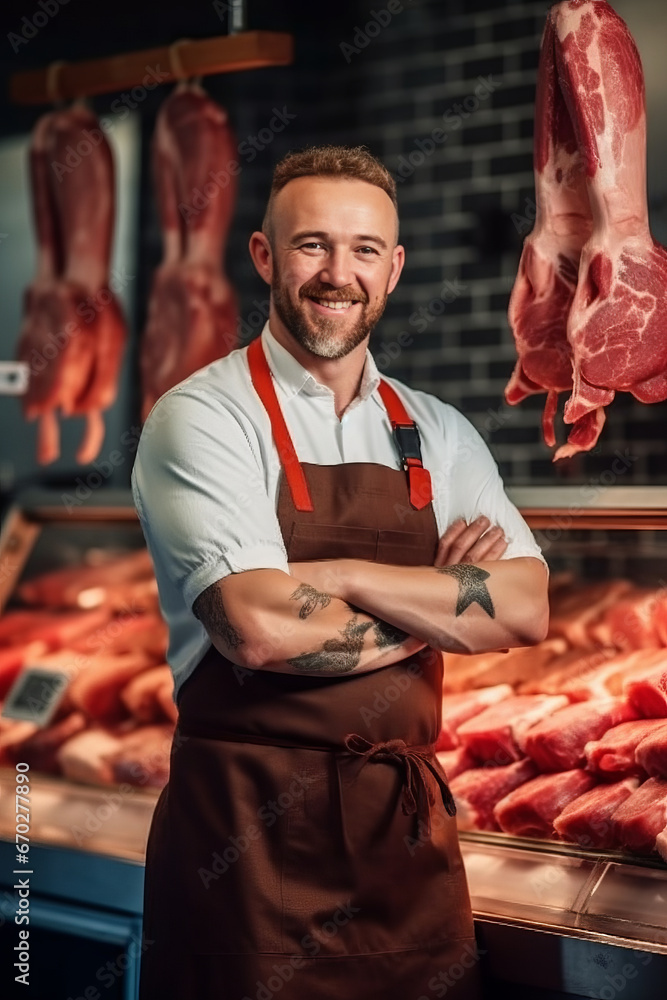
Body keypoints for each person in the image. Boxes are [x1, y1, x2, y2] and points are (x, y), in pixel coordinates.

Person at [132, 144, 549, 1000]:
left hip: (407, 855)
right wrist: (438, 604)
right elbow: (256, 627)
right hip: (244, 857)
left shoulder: (437, 431)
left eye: (363, 250)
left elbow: (521, 611)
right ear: (263, 256)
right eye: (310, 244)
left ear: (393, 269)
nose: (337, 273)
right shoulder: (203, 417)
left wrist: (342, 575)